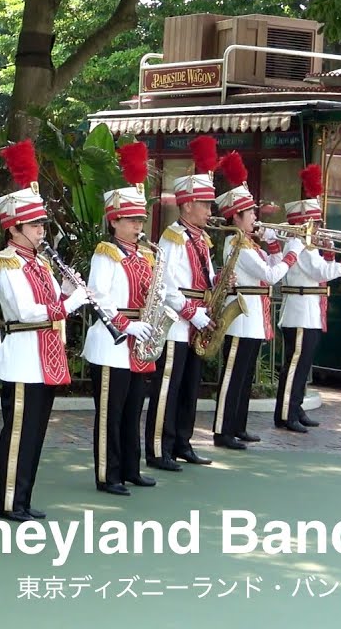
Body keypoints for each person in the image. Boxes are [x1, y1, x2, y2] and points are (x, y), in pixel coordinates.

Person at [0, 139, 89, 521]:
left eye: (42, 224)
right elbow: (26, 310)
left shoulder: (41, 263)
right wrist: (71, 303)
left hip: (45, 357)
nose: (41, 231)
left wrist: (67, 287)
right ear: (13, 228)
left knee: (35, 433)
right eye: (34, 225)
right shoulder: (7, 261)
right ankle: (8, 502)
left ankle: (23, 499)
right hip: (22, 357)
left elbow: (49, 300)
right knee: (18, 433)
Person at [82, 142, 157, 496]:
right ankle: (107, 474)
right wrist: (127, 325)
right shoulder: (106, 253)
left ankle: (130, 468)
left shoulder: (146, 255)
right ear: (114, 221)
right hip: (112, 343)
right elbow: (98, 296)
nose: (138, 225)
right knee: (110, 415)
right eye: (131, 220)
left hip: (139, 343)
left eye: (140, 220)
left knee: (132, 411)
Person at [212, 151, 299, 450]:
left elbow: (270, 265)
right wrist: (292, 253)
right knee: (233, 377)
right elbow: (271, 275)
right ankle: (223, 430)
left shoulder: (250, 243)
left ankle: (238, 426)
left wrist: (274, 244)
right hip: (241, 317)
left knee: (245, 375)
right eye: (250, 213)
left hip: (253, 317)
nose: (255, 217)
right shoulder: (237, 244)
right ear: (236, 216)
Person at [275, 165, 341, 431]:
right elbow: (323, 272)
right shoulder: (300, 246)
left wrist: (329, 251)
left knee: (303, 366)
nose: (319, 228)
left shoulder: (310, 247)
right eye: (315, 224)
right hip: (299, 314)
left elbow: (321, 271)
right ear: (304, 224)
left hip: (309, 312)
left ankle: (296, 407)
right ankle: (286, 414)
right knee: (295, 366)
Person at [147, 135, 219, 471]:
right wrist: (192, 313)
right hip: (178, 323)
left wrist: (220, 285)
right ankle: (158, 449)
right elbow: (166, 285)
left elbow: (207, 277)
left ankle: (182, 443)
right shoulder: (173, 237)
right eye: (205, 204)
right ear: (187, 205)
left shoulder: (202, 239)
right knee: (168, 388)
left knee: (190, 386)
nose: (209, 211)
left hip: (199, 320)